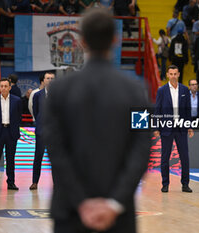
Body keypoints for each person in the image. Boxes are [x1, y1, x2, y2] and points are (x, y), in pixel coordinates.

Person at [43, 9, 150, 233]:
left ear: (82, 42)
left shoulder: (58, 91)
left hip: (70, 213)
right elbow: (142, 150)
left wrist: (82, 201)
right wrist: (113, 203)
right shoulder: (137, 92)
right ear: (115, 40)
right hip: (118, 217)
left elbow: (55, 150)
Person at [154, 65, 194, 193]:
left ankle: (185, 184)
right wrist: (156, 127)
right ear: (167, 75)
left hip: (181, 128)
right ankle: (165, 184)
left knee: (185, 158)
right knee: (165, 157)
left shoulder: (184, 90)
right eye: (170, 74)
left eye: (175, 73)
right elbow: (157, 110)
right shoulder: (162, 90)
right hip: (166, 128)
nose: (173, 76)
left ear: (178, 74)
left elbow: (188, 110)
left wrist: (190, 126)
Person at [0, 79, 22, 191]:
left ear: (9, 87)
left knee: (11, 159)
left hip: (11, 132)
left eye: (5, 86)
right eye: (1, 86)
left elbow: (18, 116)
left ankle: (11, 182)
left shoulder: (17, 101)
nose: (3, 88)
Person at [29, 72, 55, 190]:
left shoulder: (59, 94)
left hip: (55, 133)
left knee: (56, 159)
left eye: (52, 78)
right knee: (38, 157)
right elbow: (35, 112)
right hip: (41, 132)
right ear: (43, 80)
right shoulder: (37, 95)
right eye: (47, 78)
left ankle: (57, 183)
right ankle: (35, 182)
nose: (50, 80)